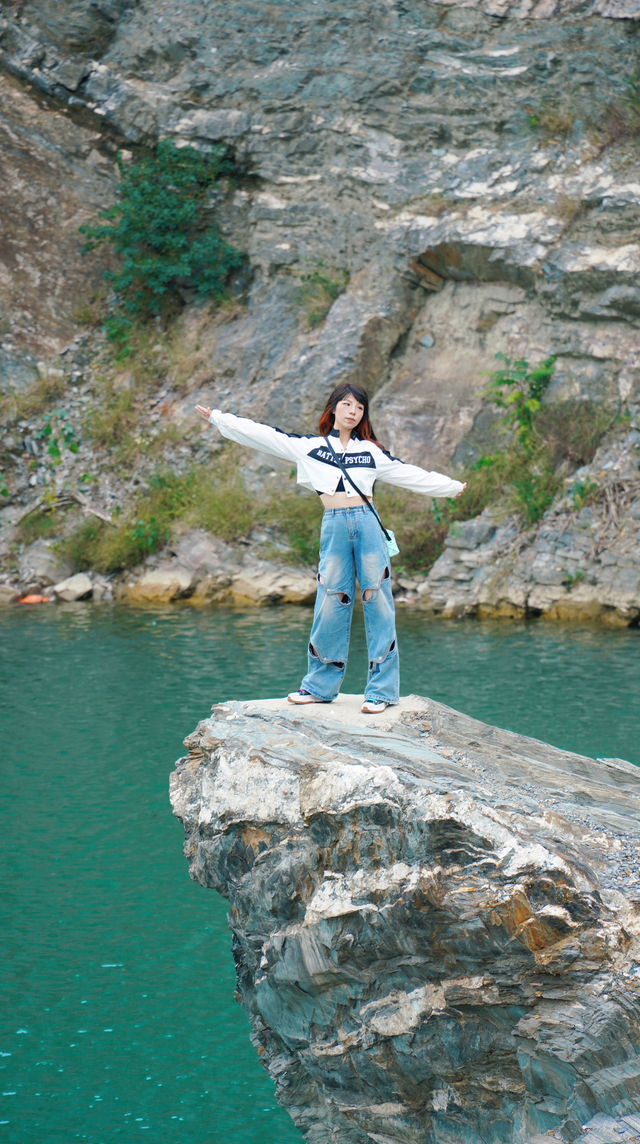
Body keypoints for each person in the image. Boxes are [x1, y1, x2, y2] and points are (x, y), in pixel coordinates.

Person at [195, 383, 465, 714]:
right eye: (347, 404)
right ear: (333, 408)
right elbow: (264, 435)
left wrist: (450, 488)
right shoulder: (308, 447)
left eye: (360, 408)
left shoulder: (371, 452)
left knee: (376, 599)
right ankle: (320, 686)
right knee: (330, 599)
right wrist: (220, 419)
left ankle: (381, 691)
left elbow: (408, 473)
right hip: (334, 522)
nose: (353, 411)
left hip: (367, 522)